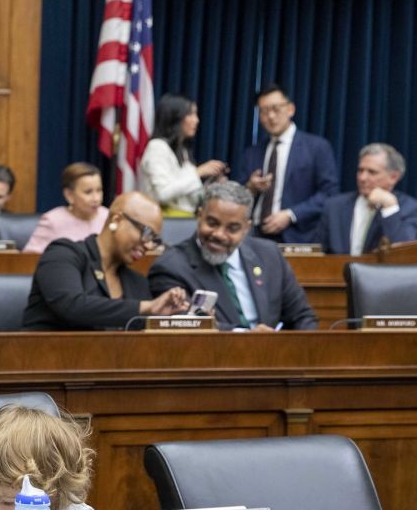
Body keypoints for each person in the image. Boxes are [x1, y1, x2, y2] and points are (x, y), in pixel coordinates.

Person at [148, 181, 318, 330]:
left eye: (232, 228)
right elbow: (186, 326)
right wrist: (249, 338)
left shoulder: (269, 255)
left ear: (246, 228)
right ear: (199, 216)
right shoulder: (171, 266)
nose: (219, 234)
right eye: (212, 223)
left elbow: (303, 317)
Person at [22, 191, 188, 330]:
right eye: (146, 233)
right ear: (116, 220)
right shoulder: (63, 254)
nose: (149, 244)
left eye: (154, 239)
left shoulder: (136, 282)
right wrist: (146, 308)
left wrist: (185, 319)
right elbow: (73, 307)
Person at [231, 84, 339, 243]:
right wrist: (251, 188)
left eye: (276, 109)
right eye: (264, 111)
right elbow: (236, 198)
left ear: (290, 109)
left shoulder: (317, 147)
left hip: (297, 236)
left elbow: (329, 193)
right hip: (254, 236)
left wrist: (290, 215)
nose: (271, 116)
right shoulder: (252, 152)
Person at [318, 143, 417, 256]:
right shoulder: (334, 206)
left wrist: (390, 208)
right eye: (360, 170)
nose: (362, 178)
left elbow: (404, 255)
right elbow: (317, 254)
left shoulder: (411, 209)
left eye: (372, 172)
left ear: (394, 177)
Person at [138, 94, 227, 216]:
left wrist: (212, 185)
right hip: (164, 221)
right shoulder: (157, 147)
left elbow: (187, 199)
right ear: (174, 117)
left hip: (186, 220)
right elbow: (163, 193)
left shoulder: (183, 150)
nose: (196, 120)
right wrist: (198, 172)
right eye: (191, 114)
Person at [23, 162, 109, 254]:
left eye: (99, 190)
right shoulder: (53, 221)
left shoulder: (109, 217)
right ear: (69, 195)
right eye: (88, 192)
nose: (96, 198)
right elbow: (30, 259)